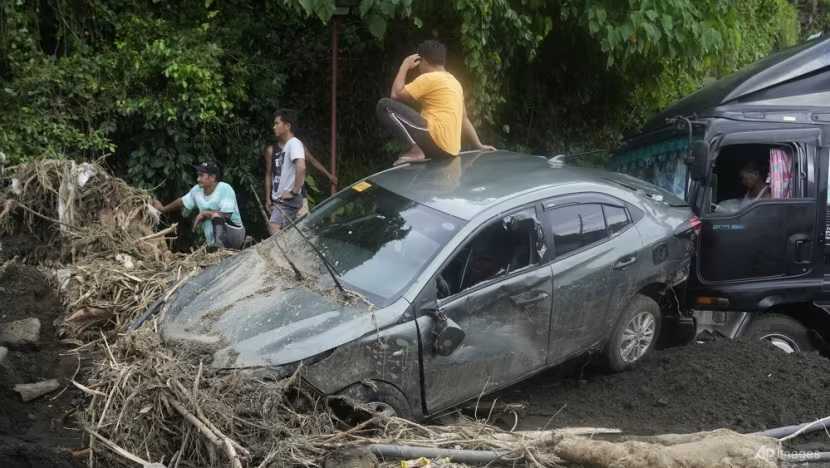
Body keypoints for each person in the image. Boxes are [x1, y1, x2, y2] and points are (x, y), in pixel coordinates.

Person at [377, 39, 495, 166]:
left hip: (435, 141)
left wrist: (404, 65)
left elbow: (395, 94)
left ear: (423, 61)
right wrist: (478, 145)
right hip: (450, 151)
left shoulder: (429, 78)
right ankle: (418, 150)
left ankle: (416, 151)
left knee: (384, 106)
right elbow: (464, 119)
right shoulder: (455, 82)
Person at [152, 161, 245, 250]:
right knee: (213, 220)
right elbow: (181, 202)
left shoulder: (225, 188)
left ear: (212, 177)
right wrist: (162, 209)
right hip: (214, 240)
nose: (198, 179)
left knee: (217, 216)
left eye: (201, 176)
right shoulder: (197, 190)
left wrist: (204, 214)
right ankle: (215, 247)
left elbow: (226, 214)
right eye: (198, 175)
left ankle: (219, 248)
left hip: (234, 234)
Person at [265, 109, 306, 234]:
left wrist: (293, 192)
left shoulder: (294, 143)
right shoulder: (289, 145)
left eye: (277, 123)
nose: (274, 127)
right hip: (284, 199)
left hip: (289, 199)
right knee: (288, 232)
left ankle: (283, 253)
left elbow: (301, 167)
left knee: (274, 227)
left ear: (287, 126)